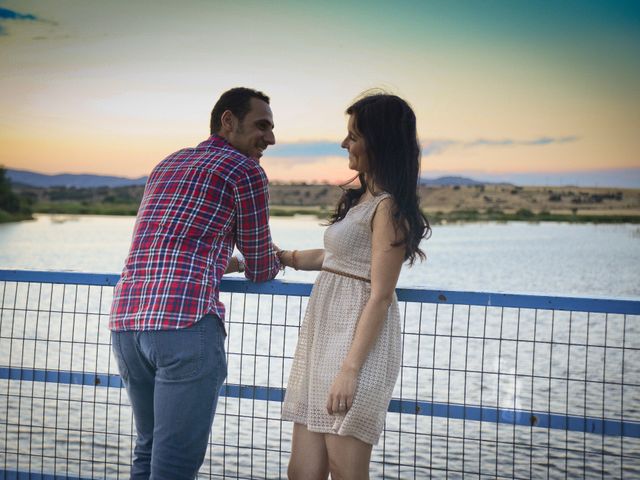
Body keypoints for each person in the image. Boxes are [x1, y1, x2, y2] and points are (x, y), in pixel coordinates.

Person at [109, 87, 281, 480]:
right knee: (175, 465)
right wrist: (282, 258)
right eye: (262, 125)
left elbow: (174, 243)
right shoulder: (245, 171)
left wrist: (223, 263)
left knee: (149, 450)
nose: (270, 138)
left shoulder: (169, 163)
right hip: (184, 326)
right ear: (227, 121)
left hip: (127, 323)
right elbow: (260, 266)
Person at [278, 93, 430, 479]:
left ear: (378, 142)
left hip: (355, 347)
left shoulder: (389, 208)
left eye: (353, 135)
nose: (344, 143)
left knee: (343, 468)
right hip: (323, 340)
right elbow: (335, 259)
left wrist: (350, 370)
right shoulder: (363, 200)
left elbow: (380, 294)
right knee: (303, 471)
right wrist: (275, 257)